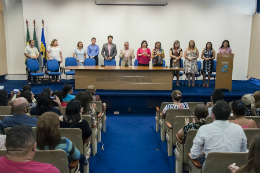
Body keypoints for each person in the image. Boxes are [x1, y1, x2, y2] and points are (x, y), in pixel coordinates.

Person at [190, 101, 248, 167]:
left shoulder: (204, 129)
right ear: (229, 115)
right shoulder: (239, 129)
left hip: (211, 169)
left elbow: (194, 155)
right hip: (233, 168)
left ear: (212, 115)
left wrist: (203, 151)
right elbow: (244, 152)